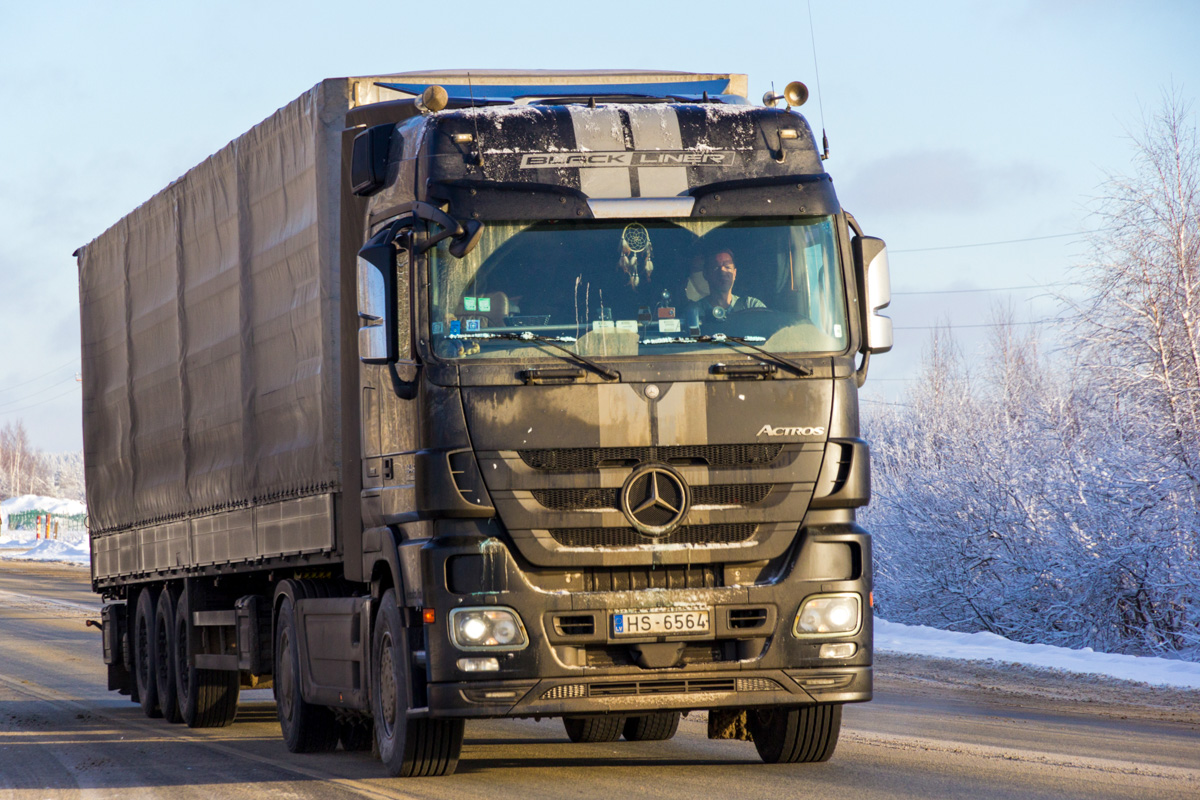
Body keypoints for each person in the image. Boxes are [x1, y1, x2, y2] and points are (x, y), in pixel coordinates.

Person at [684, 247, 766, 329]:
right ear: (705, 274)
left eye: (727, 267)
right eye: (715, 267)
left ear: (734, 273)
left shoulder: (751, 306)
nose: (722, 271)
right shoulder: (694, 311)